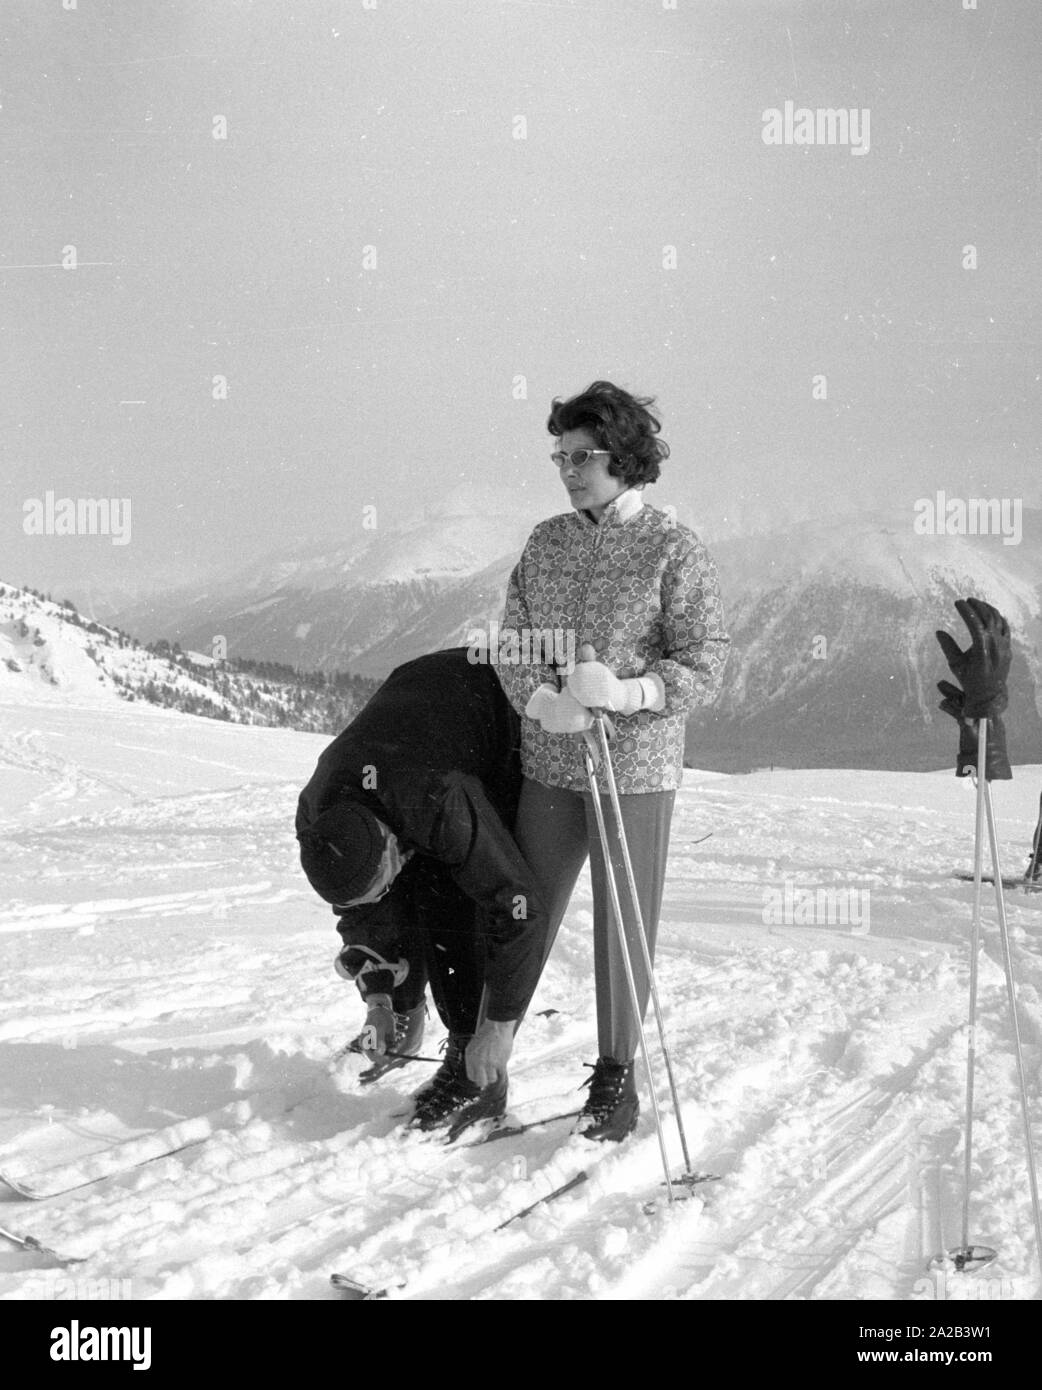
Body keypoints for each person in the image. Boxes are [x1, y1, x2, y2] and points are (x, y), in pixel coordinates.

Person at [496, 380, 730, 1142]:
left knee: (624, 924)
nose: (566, 468)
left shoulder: (673, 549)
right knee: (520, 911)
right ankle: (482, 1060)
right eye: (559, 454)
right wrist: (542, 702)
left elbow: (706, 661)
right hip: (552, 759)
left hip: (637, 767)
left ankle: (616, 1077)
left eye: (582, 454)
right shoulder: (547, 542)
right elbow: (515, 644)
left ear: (625, 458)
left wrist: (630, 692)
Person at [295, 648, 548, 1132]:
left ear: (392, 846)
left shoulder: (438, 798)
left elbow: (518, 908)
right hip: (415, 701)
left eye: (382, 878)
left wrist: (497, 1026)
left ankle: (475, 1070)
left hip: (499, 710)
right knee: (405, 890)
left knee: (452, 892)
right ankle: (412, 1020)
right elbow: (363, 913)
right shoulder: (317, 818)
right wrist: (382, 999)